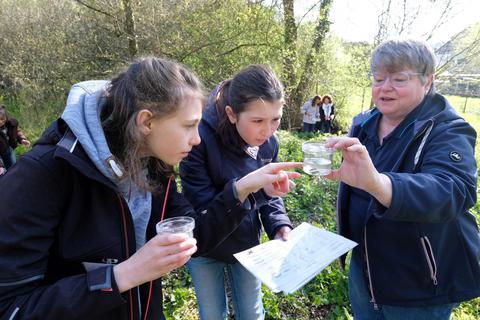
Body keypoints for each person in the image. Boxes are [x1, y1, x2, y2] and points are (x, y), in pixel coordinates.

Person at [0, 57, 301, 320]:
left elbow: (199, 235)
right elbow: (11, 307)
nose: (198, 139)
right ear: (146, 122)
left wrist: (242, 190)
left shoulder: (153, 167)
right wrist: (122, 275)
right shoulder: (40, 177)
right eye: (188, 126)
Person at [325, 39, 480, 320]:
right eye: (378, 78)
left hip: (419, 282)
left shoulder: (448, 129)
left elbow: (453, 190)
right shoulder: (364, 124)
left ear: (427, 81)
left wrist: (378, 183)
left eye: (399, 79)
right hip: (365, 268)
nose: (385, 87)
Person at [180, 65, 296, 320]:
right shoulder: (198, 141)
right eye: (257, 121)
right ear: (232, 114)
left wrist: (279, 225)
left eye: (275, 119)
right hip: (205, 246)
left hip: (247, 245)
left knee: (251, 312)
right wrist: (248, 188)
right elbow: (203, 207)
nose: (268, 132)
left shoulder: (269, 144)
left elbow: (269, 196)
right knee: (211, 314)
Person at [0, 105, 30, 174]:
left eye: (2, 119)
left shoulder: (10, 124)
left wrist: (22, 139)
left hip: (8, 150)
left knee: (13, 169)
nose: (0, 122)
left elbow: (16, 132)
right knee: (2, 173)